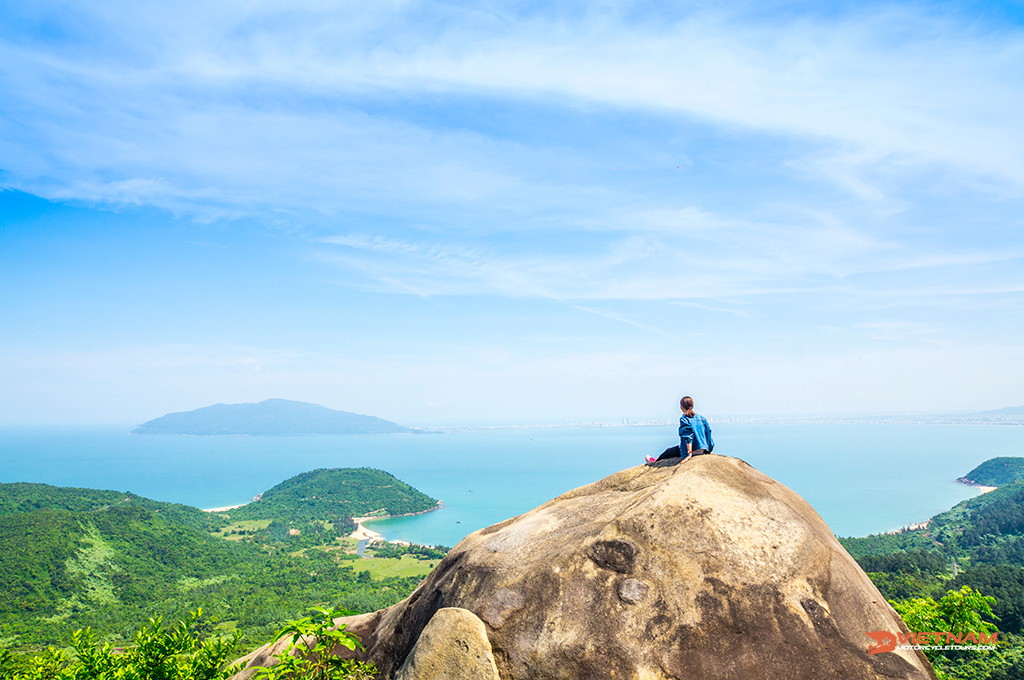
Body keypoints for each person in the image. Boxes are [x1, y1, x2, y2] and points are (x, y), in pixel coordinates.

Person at [646, 396, 714, 463]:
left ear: (681, 407)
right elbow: (708, 433)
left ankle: (654, 462)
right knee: (671, 450)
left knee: (668, 451)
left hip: (693, 450)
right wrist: (708, 450)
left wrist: (689, 454)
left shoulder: (684, 418)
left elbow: (687, 436)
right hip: (703, 449)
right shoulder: (701, 418)